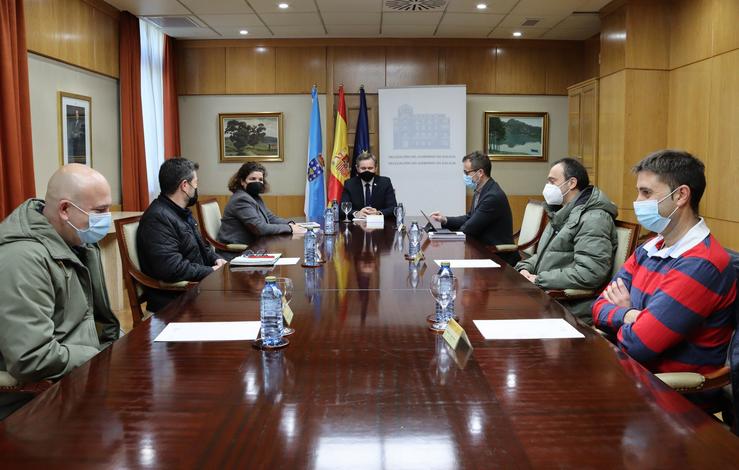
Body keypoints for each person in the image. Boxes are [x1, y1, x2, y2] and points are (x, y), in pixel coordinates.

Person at [593, 150, 736, 378]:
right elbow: (599, 306)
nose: (637, 202)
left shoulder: (702, 264)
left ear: (681, 196)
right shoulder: (649, 247)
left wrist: (623, 313)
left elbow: (638, 344)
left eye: (646, 193)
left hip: (669, 394)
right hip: (630, 373)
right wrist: (632, 315)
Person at [0, 164, 120, 419]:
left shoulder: (79, 242)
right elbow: (31, 357)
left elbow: (97, 319)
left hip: (81, 378)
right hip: (37, 401)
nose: (106, 219)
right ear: (65, 209)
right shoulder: (22, 259)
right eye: (99, 211)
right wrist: (102, 357)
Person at [516, 158, 618, 324]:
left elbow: (590, 273)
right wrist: (524, 268)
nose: (547, 187)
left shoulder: (594, 218)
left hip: (568, 307)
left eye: (552, 181)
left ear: (571, 183)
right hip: (547, 295)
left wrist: (539, 279)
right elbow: (546, 255)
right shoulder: (562, 213)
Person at [137, 158, 226, 312]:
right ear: (185, 185)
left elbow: (202, 247)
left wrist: (217, 260)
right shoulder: (157, 219)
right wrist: (211, 271)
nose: (197, 187)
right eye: (196, 183)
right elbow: (172, 268)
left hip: (198, 291)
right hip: (176, 302)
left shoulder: (181, 212)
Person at [430, 150, 519, 266]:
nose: (465, 176)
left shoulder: (492, 196)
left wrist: (444, 237)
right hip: (482, 250)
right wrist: (445, 219)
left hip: (496, 256)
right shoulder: (481, 190)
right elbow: (470, 217)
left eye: (467, 172)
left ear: (480, 172)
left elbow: (469, 228)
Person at [217, 162, 306, 258]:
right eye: (252, 179)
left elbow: (271, 218)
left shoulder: (254, 197)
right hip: (237, 254)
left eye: (260, 179)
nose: (257, 182)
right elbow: (260, 228)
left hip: (253, 249)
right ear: (242, 181)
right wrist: (290, 228)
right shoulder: (241, 199)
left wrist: (291, 224)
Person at [340, 151, 397, 220]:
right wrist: (356, 213)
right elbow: (342, 209)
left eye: (370, 168)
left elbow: (393, 208)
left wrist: (378, 213)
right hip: (356, 227)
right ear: (357, 168)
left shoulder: (385, 183)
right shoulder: (349, 184)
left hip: (380, 226)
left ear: (376, 168)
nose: (367, 171)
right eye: (363, 168)